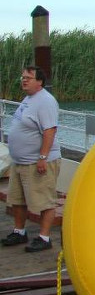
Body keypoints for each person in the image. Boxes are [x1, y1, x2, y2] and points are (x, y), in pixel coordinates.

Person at [1, 66, 61, 253]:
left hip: (38, 162)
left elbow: (50, 130)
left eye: (29, 77)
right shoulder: (29, 99)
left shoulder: (46, 102)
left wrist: (42, 157)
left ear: (40, 81)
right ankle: (19, 232)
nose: (24, 80)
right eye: (23, 77)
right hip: (20, 162)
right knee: (17, 199)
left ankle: (44, 237)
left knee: (45, 201)